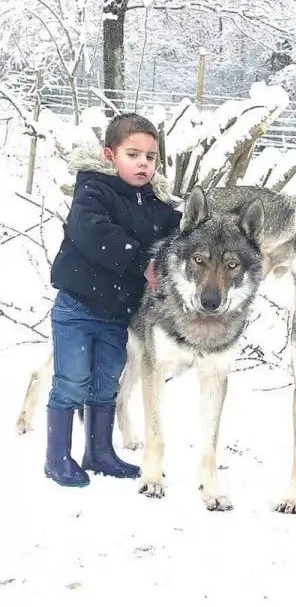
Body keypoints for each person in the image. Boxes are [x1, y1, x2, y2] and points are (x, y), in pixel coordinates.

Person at [44, 113, 181, 488]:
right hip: (77, 308)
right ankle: (56, 457)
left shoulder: (155, 204)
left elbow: (181, 228)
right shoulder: (93, 191)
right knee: (72, 380)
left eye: (150, 157)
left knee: (106, 382)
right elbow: (94, 233)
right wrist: (141, 261)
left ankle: (99, 452)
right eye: (132, 155)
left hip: (119, 313)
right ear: (109, 155)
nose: (143, 164)